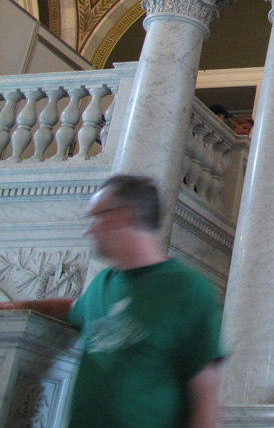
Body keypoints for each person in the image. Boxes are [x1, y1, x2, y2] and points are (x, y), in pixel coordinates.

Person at [0, 174, 224, 428]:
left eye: (96, 216)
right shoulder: (102, 283)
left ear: (121, 216)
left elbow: (205, 400)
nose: (89, 228)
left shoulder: (188, 290)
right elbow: (71, 308)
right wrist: (17, 307)